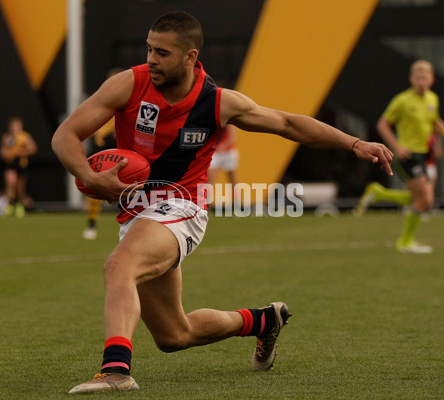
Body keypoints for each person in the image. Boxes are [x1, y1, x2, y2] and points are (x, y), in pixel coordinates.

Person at [51, 11, 393, 393]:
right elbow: (66, 134)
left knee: (119, 267)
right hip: (138, 214)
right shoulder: (129, 84)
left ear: (190, 57)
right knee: (174, 335)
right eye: (149, 49)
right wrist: (89, 176)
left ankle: (115, 371)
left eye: (162, 52)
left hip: (183, 207)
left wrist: (353, 142)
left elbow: (287, 123)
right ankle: (262, 321)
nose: (151, 59)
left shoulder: (217, 102)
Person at [365, 60, 444, 254]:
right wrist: (397, 147)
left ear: (432, 80)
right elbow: (382, 124)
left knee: (421, 198)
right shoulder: (402, 101)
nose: (421, 81)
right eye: (418, 78)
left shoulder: (433, 99)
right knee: (425, 199)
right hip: (407, 155)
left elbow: (435, 122)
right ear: (411, 79)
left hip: (424, 155)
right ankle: (405, 241)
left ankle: (380, 194)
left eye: (425, 78)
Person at [82, 69, 122, 240]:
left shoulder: (129, 100)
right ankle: (91, 223)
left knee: (130, 183)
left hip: (120, 146)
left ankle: (131, 220)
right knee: (94, 186)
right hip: (102, 146)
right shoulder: (102, 100)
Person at [0, 116, 38, 217]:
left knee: (20, 188)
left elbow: (33, 148)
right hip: (11, 164)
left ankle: (19, 206)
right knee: (10, 184)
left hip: (21, 165)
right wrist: (7, 154)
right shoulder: (7, 137)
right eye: (13, 127)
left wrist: (22, 152)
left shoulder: (25, 137)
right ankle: (9, 206)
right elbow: (3, 151)